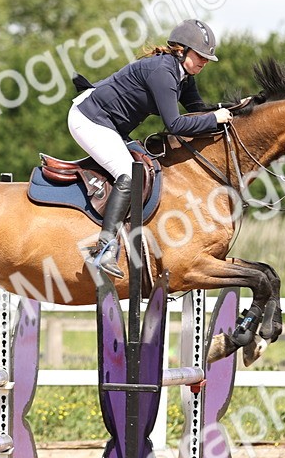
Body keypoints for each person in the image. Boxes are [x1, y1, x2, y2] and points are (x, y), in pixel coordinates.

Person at [69, 18, 231, 278]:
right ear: (181, 50)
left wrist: (236, 110)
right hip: (89, 119)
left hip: (110, 124)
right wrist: (215, 119)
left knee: (147, 167)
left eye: (206, 58)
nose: (203, 62)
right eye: (200, 55)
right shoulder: (163, 72)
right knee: (128, 173)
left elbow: (199, 112)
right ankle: (104, 248)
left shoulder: (183, 77)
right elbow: (176, 125)